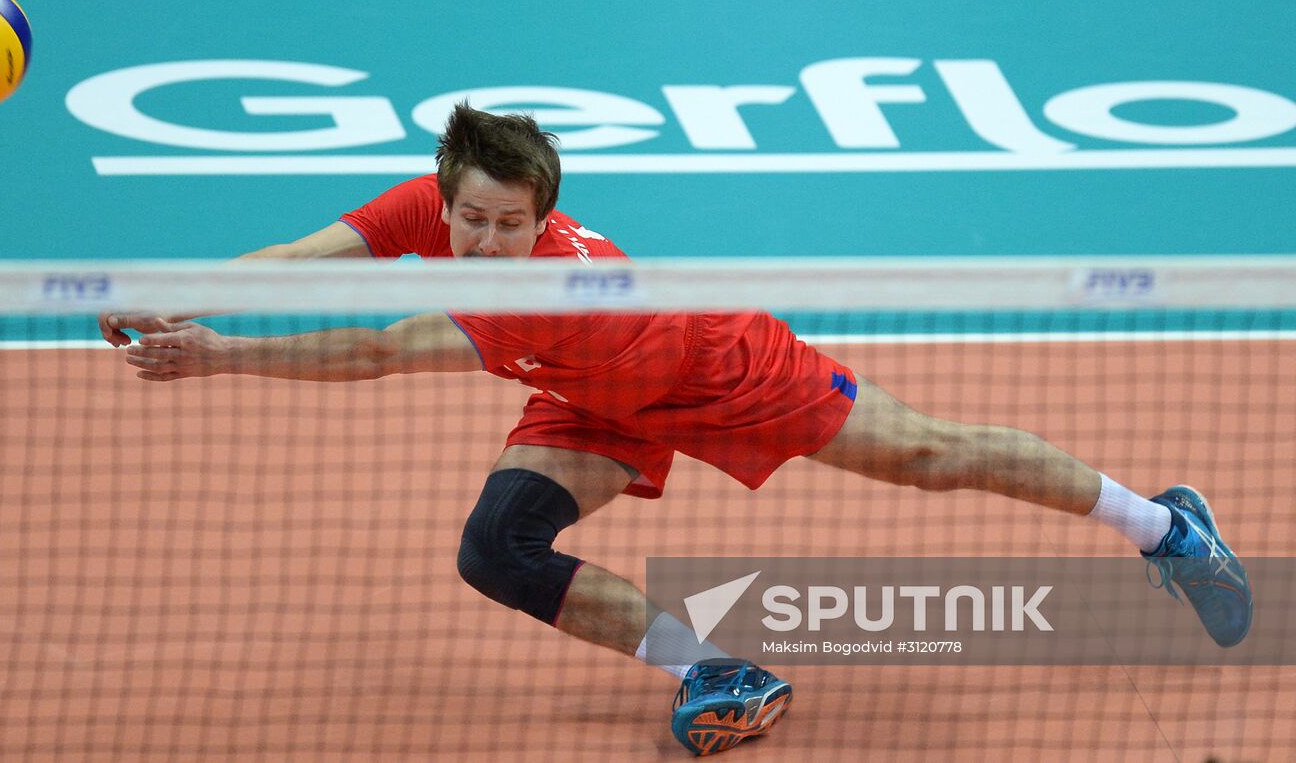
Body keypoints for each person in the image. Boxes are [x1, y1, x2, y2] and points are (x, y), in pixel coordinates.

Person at [102, 103, 1253, 757]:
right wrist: (165, 285)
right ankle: (714, 666)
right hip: (586, 396)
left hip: (715, 364)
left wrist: (218, 353)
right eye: (469, 218)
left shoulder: (546, 278)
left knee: (928, 456)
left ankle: (1161, 525)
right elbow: (311, 261)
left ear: (543, 220)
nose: (485, 237)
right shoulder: (433, 208)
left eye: (510, 223)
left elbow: (369, 346)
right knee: (495, 549)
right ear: (443, 195)